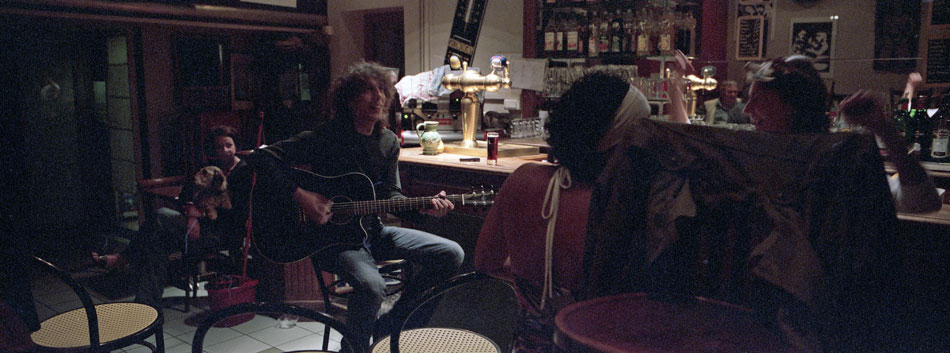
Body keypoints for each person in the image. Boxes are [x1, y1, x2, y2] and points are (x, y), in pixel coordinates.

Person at [474, 51, 693, 353]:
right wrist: (675, 92)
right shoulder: (622, 204)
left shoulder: (522, 179)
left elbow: (486, 262)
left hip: (529, 345)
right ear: (622, 142)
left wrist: (536, 274)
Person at [245, 61, 464, 348]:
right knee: (373, 287)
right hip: (332, 243)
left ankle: (395, 325)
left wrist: (420, 208)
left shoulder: (387, 142)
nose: (379, 97)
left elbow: (390, 196)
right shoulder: (325, 137)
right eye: (368, 90)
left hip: (372, 233)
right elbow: (261, 157)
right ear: (349, 100)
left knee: (451, 253)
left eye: (382, 90)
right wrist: (302, 195)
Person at [743, 55, 941, 213]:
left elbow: (924, 201)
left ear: (790, 105)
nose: (746, 110)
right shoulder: (747, 158)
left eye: (757, 99)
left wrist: (884, 129)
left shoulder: (837, 161)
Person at [91, 125, 252, 306]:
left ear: (235, 145)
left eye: (228, 145)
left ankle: (125, 259)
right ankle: (147, 306)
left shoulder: (243, 172)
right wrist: (191, 213)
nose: (224, 150)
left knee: (161, 216)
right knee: (156, 242)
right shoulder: (206, 169)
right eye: (219, 147)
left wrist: (199, 215)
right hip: (193, 226)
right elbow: (184, 196)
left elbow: (237, 214)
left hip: (220, 232)